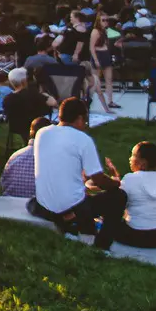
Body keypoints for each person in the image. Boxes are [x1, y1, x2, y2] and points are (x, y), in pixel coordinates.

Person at [27, 97, 103, 235]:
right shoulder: (83, 139)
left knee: (33, 202)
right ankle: (101, 240)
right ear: (80, 118)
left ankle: (66, 220)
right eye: (85, 120)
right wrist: (114, 184)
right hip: (73, 204)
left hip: (44, 206)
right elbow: (97, 178)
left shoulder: (41, 133)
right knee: (118, 197)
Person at [91, 141, 156, 250]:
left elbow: (115, 206)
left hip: (140, 236)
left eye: (133, 155)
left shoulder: (131, 178)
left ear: (143, 163)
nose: (130, 159)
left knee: (109, 223)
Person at [0, 117, 44, 199]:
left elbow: (3, 182)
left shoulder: (15, 156)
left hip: (10, 201)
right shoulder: (49, 159)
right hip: (37, 204)